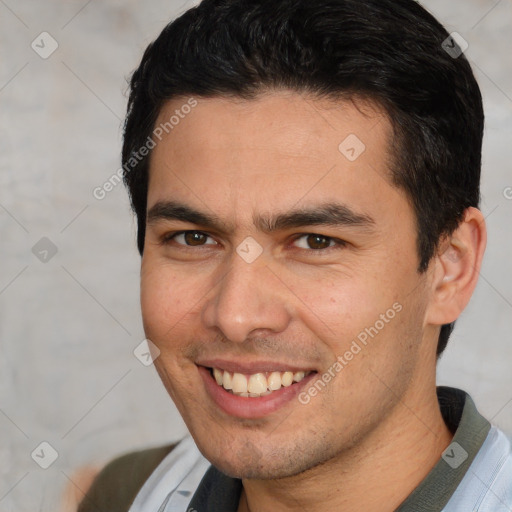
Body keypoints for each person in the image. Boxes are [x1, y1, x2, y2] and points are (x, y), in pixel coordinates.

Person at [78, 0, 512, 510]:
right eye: (194, 238)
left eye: (315, 241)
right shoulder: (127, 493)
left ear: (449, 269)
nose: (235, 316)